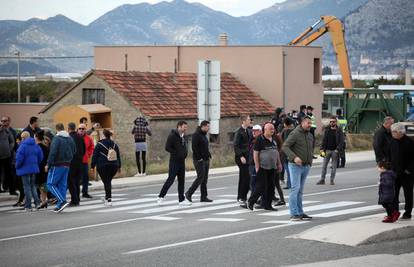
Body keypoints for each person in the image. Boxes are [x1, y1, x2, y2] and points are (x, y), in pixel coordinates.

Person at [242, 123, 282, 211]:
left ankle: (268, 205)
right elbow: (255, 153)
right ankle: (251, 202)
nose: (272, 130)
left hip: (272, 167)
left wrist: (279, 163)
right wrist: (257, 166)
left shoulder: (274, 139)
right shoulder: (260, 139)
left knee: (271, 187)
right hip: (262, 167)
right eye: (270, 129)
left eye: (273, 129)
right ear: (265, 130)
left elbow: (276, 152)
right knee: (261, 186)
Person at [282, 116, 314, 221]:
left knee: (300, 190)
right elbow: (285, 146)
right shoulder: (295, 133)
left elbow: (310, 149)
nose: (310, 125)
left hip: (306, 165)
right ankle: (294, 213)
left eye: (310, 123)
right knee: (295, 189)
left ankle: (300, 212)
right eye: (308, 123)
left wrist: (310, 162)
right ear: (302, 123)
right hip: (295, 166)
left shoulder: (309, 135)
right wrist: (294, 157)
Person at [157, 121, 191, 206]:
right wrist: (176, 153)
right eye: (184, 127)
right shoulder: (172, 136)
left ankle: (181, 200)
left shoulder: (184, 136)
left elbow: (184, 147)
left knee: (181, 181)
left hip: (181, 162)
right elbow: (167, 147)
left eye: (186, 127)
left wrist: (184, 154)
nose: (185, 129)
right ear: (179, 127)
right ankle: (161, 197)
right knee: (170, 179)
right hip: (174, 162)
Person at [46, 123, 76, 213]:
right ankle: (59, 206)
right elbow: (74, 150)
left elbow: (53, 152)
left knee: (50, 184)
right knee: (62, 185)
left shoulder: (56, 138)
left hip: (57, 164)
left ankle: (62, 201)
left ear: (57, 129)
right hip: (67, 164)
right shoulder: (70, 138)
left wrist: (48, 164)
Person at [389, 122, 414, 220]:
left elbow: (413, 159)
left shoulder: (409, 142)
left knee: (408, 194)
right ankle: (395, 212)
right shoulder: (392, 141)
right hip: (395, 173)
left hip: (407, 174)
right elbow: (389, 156)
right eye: (392, 132)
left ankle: (408, 213)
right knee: (394, 194)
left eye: (394, 132)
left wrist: (408, 170)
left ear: (400, 132)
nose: (392, 133)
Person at [91, 129, 121, 207]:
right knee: (107, 181)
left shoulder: (99, 144)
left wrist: (92, 166)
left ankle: (109, 199)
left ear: (103, 135)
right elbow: (118, 156)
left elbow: (95, 156)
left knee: (106, 182)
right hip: (114, 166)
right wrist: (119, 167)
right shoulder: (114, 144)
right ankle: (107, 197)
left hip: (103, 166)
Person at [185, 120, 212, 203]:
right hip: (199, 160)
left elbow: (204, 147)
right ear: (203, 126)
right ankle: (189, 193)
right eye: (207, 126)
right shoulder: (196, 135)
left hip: (206, 159)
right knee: (200, 177)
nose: (209, 128)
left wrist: (208, 155)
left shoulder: (204, 135)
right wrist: (199, 158)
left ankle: (203, 196)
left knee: (205, 179)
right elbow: (194, 148)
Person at [15, 131, 43, 211]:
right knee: (33, 186)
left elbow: (19, 159)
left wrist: (17, 166)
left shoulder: (22, 146)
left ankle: (28, 206)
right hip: (33, 169)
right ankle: (37, 204)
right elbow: (41, 156)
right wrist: (35, 163)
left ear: (23, 138)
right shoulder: (35, 145)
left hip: (24, 169)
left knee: (26, 187)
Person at [317, 116, 344, 185]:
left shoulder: (339, 130)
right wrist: (322, 149)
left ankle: (332, 180)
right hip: (327, 150)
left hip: (335, 151)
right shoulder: (327, 130)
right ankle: (322, 179)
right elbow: (324, 140)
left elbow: (341, 141)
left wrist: (337, 150)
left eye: (333, 122)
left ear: (336, 122)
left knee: (334, 167)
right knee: (324, 166)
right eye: (331, 122)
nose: (332, 123)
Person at [233, 114, 252, 204]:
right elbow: (236, 145)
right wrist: (241, 156)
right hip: (241, 158)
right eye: (248, 119)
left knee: (246, 177)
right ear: (244, 121)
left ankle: (243, 196)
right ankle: (241, 197)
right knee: (245, 177)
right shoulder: (239, 131)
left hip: (248, 157)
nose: (250, 121)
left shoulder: (248, 130)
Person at [67, 123, 85, 206]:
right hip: (80, 162)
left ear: (68, 128)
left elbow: (68, 150)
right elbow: (84, 149)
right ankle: (77, 198)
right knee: (77, 181)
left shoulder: (69, 138)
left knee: (71, 182)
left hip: (72, 162)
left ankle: (74, 200)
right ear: (75, 128)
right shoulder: (80, 137)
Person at [78, 123, 94, 198]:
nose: (81, 130)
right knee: (76, 178)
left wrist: (88, 154)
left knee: (85, 177)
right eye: (80, 128)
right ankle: (76, 193)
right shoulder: (75, 137)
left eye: (83, 129)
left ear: (85, 130)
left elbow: (92, 147)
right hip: (76, 161)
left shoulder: (88, 138)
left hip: (84, 161)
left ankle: (85, 192)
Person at [35, 131, 50, 209]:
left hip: (38, 168)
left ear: (37, 137)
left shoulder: (36, 147)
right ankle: (44, 201)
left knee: (41, 185)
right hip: (45, 168)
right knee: (43, 185)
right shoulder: (46, 147)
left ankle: (43, 201)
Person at [0, 118, 15, 194]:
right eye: (2, 121)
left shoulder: (7, 131)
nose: (3, 123)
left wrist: (9, 149)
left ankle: (12, 190)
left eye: (5, 121)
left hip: (7, 155)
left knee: (9, 173)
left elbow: (12, 141)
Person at [280, 117, 295, 190]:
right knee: (291, 169)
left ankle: (290, 184)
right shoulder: (294, 131)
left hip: (285, 153)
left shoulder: (285, 131)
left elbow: (283, 142)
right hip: (293, 153)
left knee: (288, 170)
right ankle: (291, 183)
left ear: (285, 124)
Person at [248, 124, 263, 194]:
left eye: (255, 131)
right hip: (251, 164)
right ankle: (253, 199)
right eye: (253, 131)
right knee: (252, 183)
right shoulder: (252, 140)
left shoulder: (261, 140)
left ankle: (254, 199)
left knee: (257, 183)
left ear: (260, 132)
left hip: (257, 164)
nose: (253, 132)